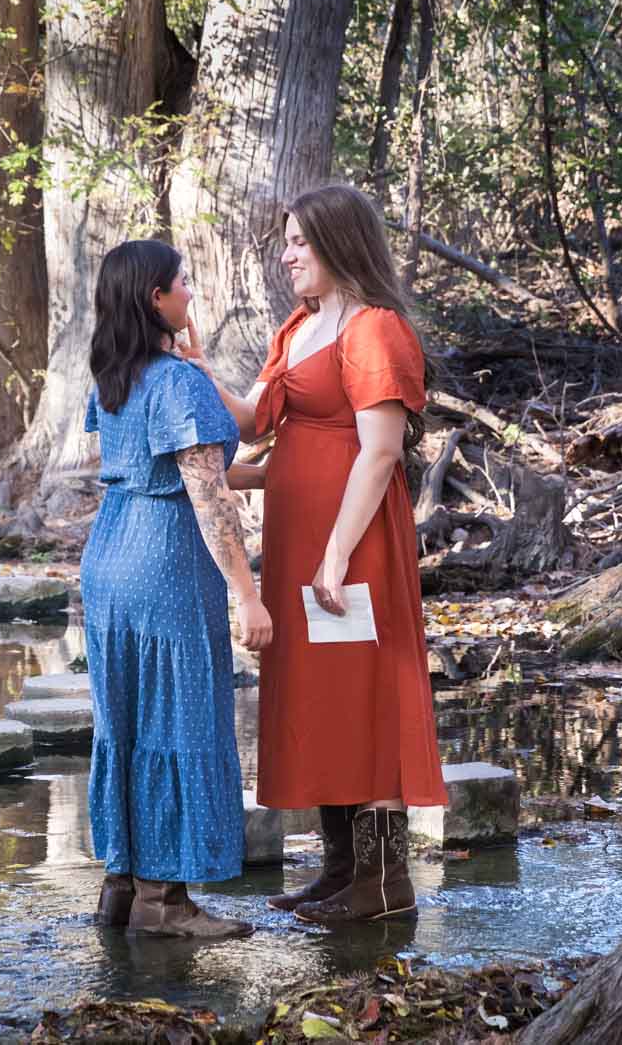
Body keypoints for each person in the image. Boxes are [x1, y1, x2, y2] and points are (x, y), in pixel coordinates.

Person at [187, 184, 446, 926]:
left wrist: (335, 555)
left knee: (366, 693)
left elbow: (380, 451)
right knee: (324, 694)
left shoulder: (374, 329)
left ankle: (384, 883)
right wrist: (201, 367)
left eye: (301, 241)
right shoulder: (298, 327)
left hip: (352, 544)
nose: (288, 253)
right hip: (300, 542)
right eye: (288, 240)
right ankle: (340, 868)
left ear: (339, 243)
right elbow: (253, 420)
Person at [80, 239, 273, 939]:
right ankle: (166, 902)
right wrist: (249, 595)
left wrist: (271, 474)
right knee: (179, 716)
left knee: (124, 720)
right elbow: (205, 498)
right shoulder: (179, 383)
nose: (192, 291)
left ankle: (121, 887)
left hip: (109, 554)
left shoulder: (112, 377)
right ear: (156, 299)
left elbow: (165, 469)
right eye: (182, 282)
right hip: (164, 561)